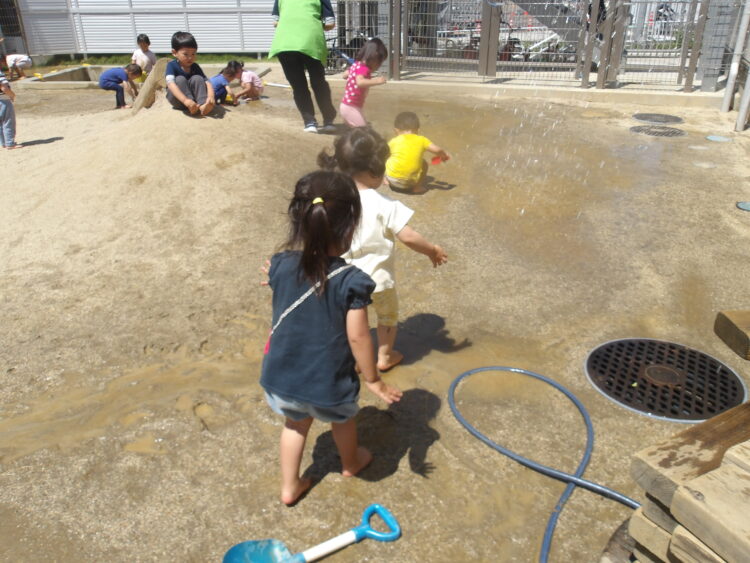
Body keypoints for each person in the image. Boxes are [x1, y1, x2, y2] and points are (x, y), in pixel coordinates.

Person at [261, 170, 402, 506]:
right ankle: (351, 462)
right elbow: (358, 337)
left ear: (299, 222)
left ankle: (289, 486)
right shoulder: (352, 281)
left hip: (282, 376)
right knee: (343, 419)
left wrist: (274, 275)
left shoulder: (279, 265)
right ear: (351, 226)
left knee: (295, 425)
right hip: (328, 380)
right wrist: (373, 379)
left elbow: (282, 281)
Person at [318, 127, 448, 372]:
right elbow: (409, 237)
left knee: (350, 317)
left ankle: (356, 358)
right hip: (379, 280)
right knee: (387, 317)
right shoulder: (386, 205)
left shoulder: (331, 199)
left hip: (343, 279)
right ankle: (384, 357)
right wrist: (432, 250)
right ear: (375, 170)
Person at [269, 0, 337, 133]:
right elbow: (330, 23)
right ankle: (328, 121)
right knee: (318, 83)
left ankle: (309, 122)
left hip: (285, 43)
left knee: (298, 86)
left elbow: (275, 22)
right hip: (311, 41)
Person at [385, 111, 450, 194]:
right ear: (418, 129)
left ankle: (385, 180)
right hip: (410, 183)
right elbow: (437, 150)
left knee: (387, 157)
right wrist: (444, 155)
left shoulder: (393, 141)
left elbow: (383, 155)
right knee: (424, 163)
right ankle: (417, 187)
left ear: (396, 130)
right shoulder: (422, 140)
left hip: (392, 181)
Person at [339, 38, 387, 128]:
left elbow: (344, 75)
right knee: (363, 130)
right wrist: (377, 81)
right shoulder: (364, 68)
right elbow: (360, 82)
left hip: (348, 105)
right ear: (374, 58)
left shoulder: (356, 64)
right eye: (379, 63)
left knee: (358, 130)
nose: (378, 66)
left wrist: (351, 72)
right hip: (351, 107)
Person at [165, 31, 215, 117]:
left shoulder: (195, 66)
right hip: (178, 100)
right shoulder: (171, 65)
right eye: (185, 54)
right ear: (174, 53)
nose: (190, 57)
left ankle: (202, 105)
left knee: (198, 78)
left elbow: (207, 82)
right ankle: (191, 105)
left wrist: (211, 96)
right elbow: (170, 84)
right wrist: (186, 101)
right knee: (180, 79)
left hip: (194, 100)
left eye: (193, 54)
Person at [0, 68, 22, 149]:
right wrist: (12, 95)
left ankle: (3, 142)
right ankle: (9, 143)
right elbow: (4, 88)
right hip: (3, 100)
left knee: (0, 123)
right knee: (8, 121)